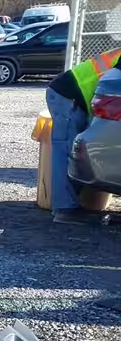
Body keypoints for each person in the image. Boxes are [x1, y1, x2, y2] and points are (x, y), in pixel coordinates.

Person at [46, 46, 121, 224]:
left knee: (73, 151)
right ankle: (64, 209)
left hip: (74, 94)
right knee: (65, 152)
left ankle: (68, 204)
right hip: (68, 95)